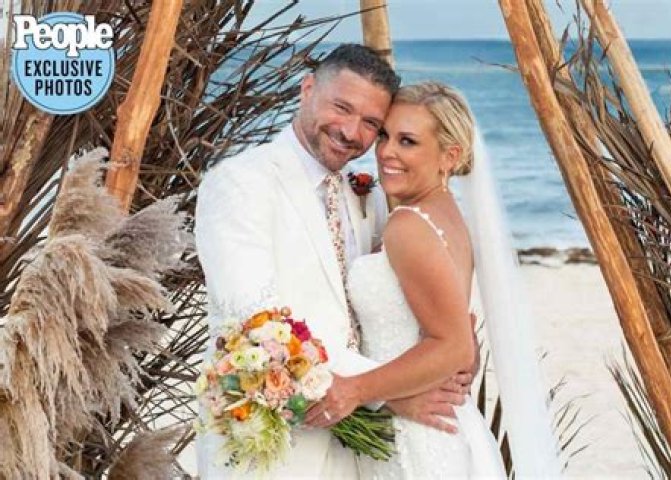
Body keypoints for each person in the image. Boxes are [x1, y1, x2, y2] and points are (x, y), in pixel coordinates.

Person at [194, 45, 474, 479]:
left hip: (356, 449)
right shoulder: (241, 182)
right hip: (274, 450)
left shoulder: (367, 195)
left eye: (371, 123)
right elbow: (255, 325)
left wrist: (451, 357)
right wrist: (389, 393)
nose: (351, 132)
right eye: (342, 108)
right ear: (307, 89)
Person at [305, 82, 563, 478]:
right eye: (385, 135)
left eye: (408, 141)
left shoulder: (408, 226)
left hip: (417, 440)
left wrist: (355, 390)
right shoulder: (447, 216)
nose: (386, 152)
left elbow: (455, 347)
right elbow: (457, 338)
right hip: (438, 424)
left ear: (450, 156)